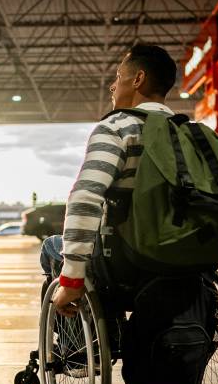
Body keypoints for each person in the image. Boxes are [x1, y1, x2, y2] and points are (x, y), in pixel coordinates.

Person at [39, 43, 177, 317]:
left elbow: (86, 199)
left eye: (117, 77)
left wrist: (72, 279)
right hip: (182, 259)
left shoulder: (117, 127)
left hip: (127, 263)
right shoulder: (190, 133)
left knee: (51, 246)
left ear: (138, 79)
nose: (112, 87)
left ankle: (77, 349)